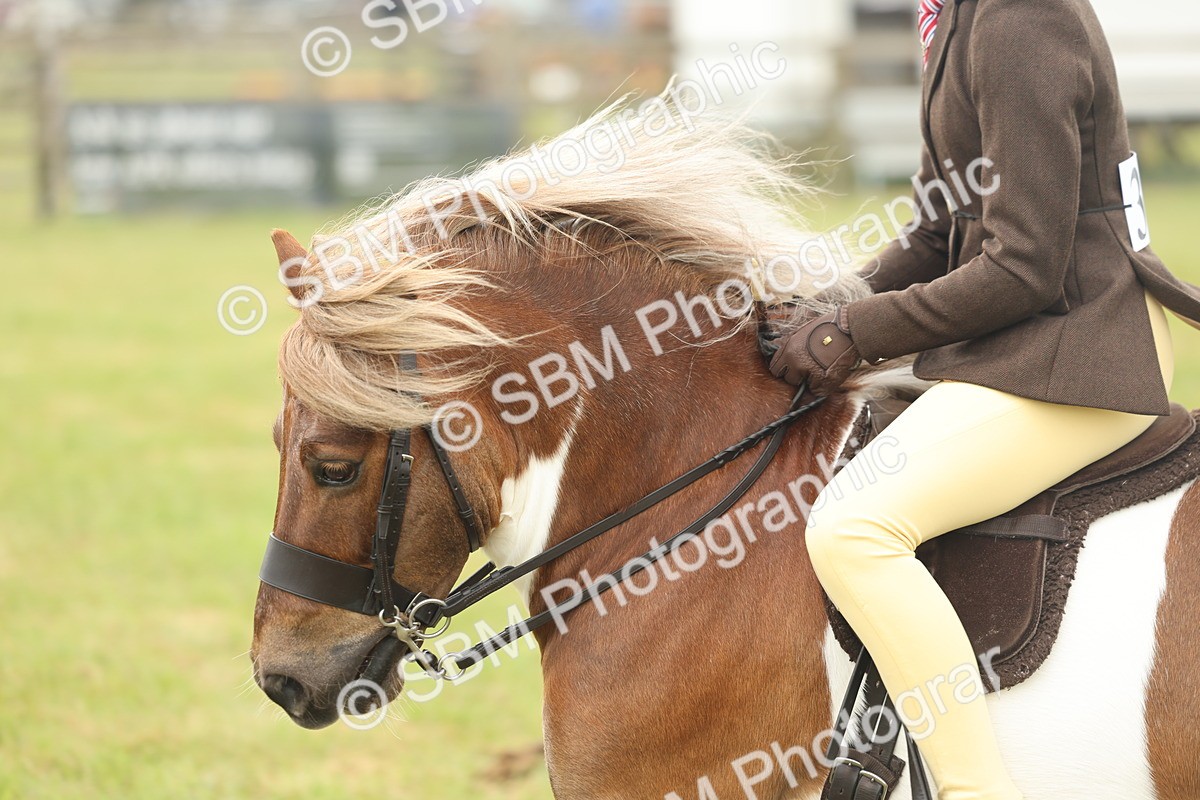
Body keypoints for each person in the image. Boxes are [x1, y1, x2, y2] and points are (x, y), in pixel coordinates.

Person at [766, 0, 1200, 798]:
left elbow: (1024, 264)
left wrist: (856, 333)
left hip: (1080, 350)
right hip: (1026, 339)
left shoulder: (1021, 22)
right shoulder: (957, 15)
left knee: (854, 528)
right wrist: (829, 303)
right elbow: (939, 233)